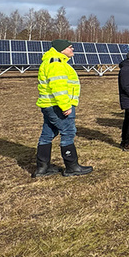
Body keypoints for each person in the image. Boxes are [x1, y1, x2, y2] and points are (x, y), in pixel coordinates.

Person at [33, 39, 92, 177]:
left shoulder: (53, 61)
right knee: (68, 132)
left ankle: (42, 168)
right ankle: (72, 166)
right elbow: (58, 87)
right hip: (57, 105)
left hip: (50, 105)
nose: (72, 50)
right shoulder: (56, 63)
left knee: (47, 134)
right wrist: (65, 106)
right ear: (61, 49)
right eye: (70, 47)